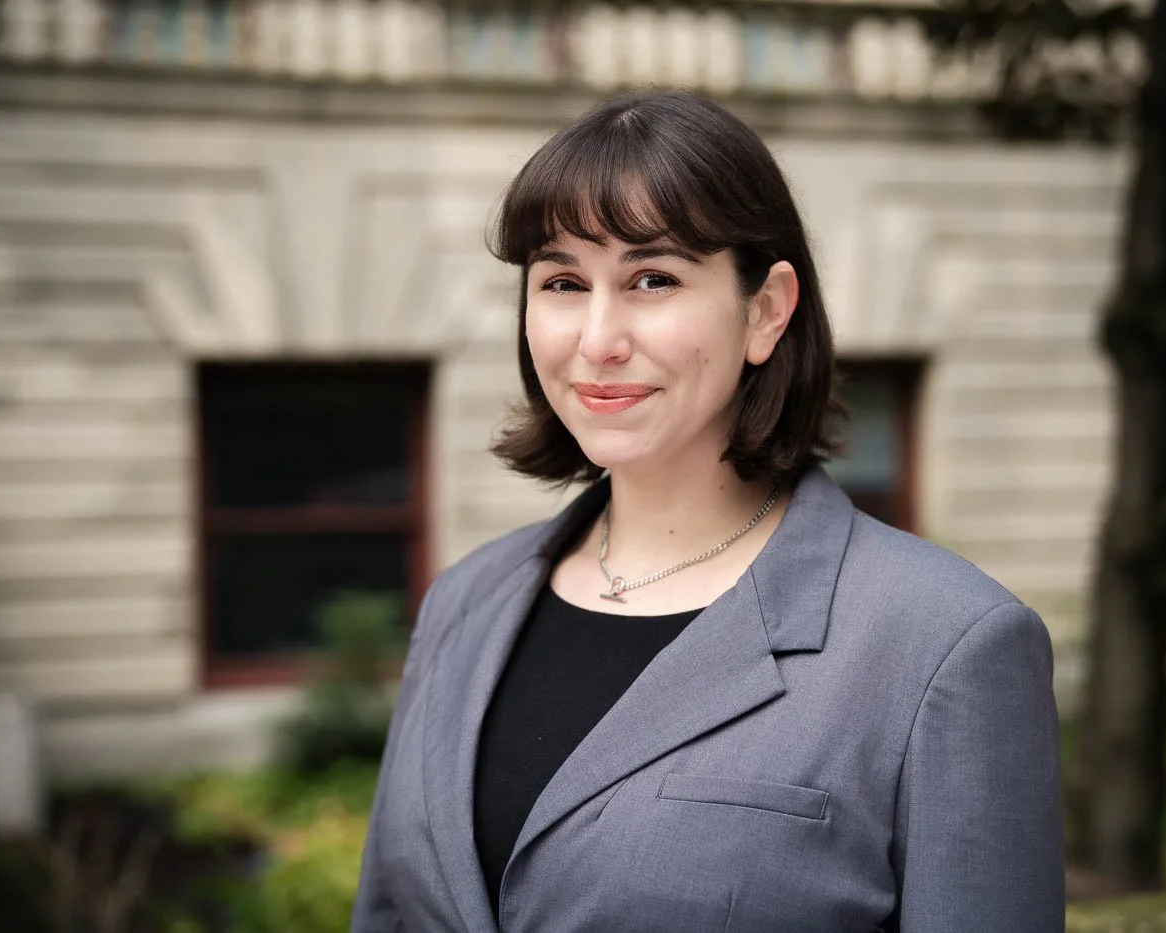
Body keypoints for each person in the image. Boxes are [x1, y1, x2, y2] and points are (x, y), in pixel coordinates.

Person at [351, 90, 1064, 933]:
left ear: (765, 310)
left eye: (653, 278)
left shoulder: (944, 642)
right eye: (564, 281)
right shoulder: (464, 601)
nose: (598, 338)